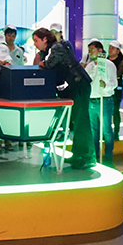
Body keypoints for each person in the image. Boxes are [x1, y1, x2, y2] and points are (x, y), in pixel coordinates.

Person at [33, 28, 96, 169]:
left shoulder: (57, 47)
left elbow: (49, 63)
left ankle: (88, 157)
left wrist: (42, 63)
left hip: (79, 86)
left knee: (81, 122)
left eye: (36, 40)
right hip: (73, 87)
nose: (35, 44)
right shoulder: (49, 50)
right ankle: (78, 155)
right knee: (75, 122)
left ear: (45, 39)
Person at [85, 41, 117, 164]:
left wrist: (106, 85)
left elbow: (114, 83)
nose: (90, 52)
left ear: (100, 50)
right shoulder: (89, 66)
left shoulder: (109, 65)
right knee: (94, 130)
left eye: (92, 49)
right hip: (91, 100)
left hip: (105, 100)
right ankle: (95, 155)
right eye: (89, 50)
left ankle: (108, 156)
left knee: (106, 130)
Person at [106, 40, 123, 138]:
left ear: (118, 51)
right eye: (110, 48)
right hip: (106, 89)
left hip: (116, 89)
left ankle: (116, 133)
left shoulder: (122, 62)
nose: (110, 50)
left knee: (115, 111)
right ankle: (106, 132)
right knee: (106, 112)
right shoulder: (106, 60)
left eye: (113, 48)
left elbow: (117, 74)